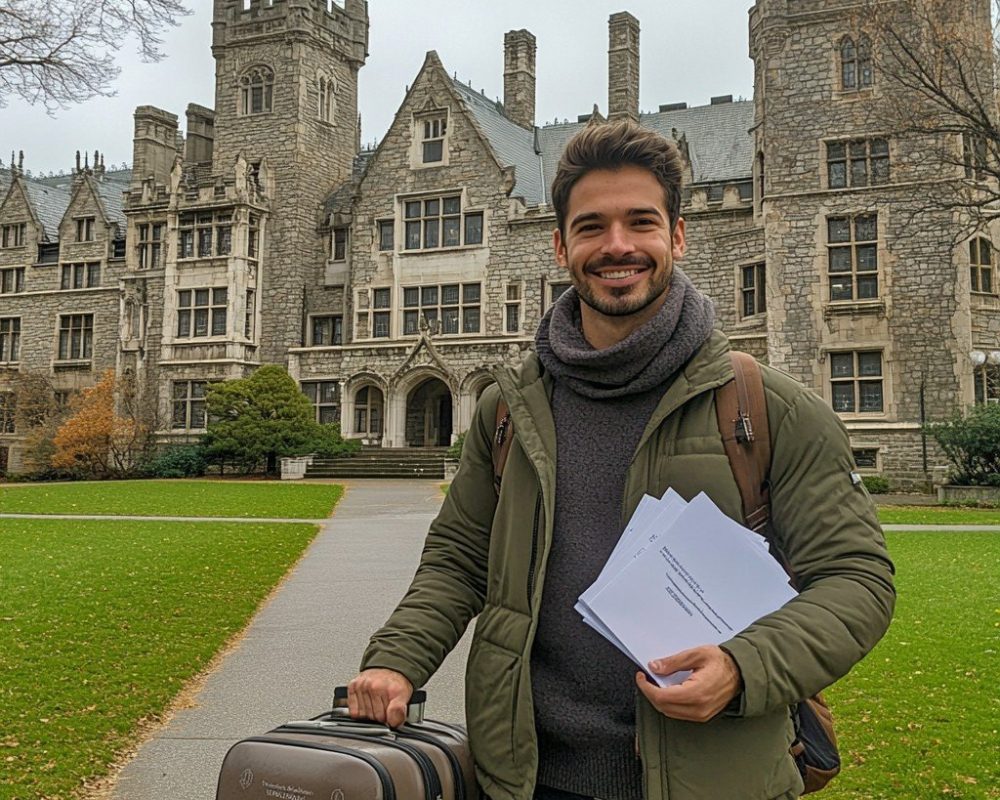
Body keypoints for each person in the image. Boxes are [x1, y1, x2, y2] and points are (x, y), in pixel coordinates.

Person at [348, 121, 895, 800]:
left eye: (640, 221)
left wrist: (743, 666)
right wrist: (398, 660)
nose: (617, 246)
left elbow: (858, 580)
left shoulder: (769, 408)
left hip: (715, 781)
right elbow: (459, 559)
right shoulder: (506, 411)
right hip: (529, 779)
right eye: (591, 226)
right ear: (559, 246)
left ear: (678, 235)